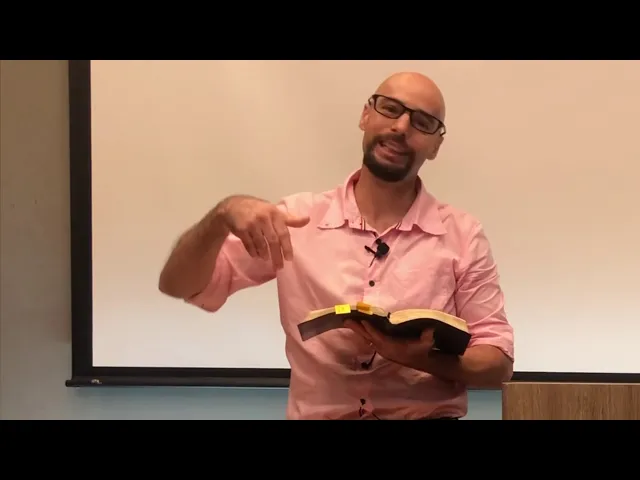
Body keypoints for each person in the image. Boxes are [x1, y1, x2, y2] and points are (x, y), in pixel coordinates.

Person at [158, 71, 514, 420]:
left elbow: (497, 363)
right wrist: (221, 216)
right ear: (365, 115)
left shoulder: (463, 235)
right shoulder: (295, 219)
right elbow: (178, 286)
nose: (401, 127)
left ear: (436, 145)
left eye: (422, 122)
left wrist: (419, 358)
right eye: (390, 109)